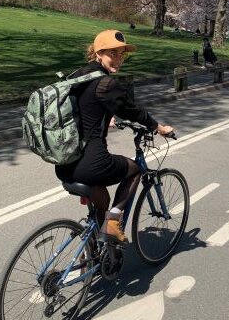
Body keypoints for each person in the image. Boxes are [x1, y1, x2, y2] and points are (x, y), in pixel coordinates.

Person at [55, 29, 174, 243]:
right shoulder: (107, 84)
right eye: (113, 54)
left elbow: (82, 106)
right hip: (91, 163)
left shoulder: (77, 76)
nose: (118, 60)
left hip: (64, 162)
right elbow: (133, 111)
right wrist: (158, 127)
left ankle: (96, 247)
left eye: (122, 55)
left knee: (103, 199)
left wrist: (104, 116)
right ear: (98, 53)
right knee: (135, 170)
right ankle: (113, 221)